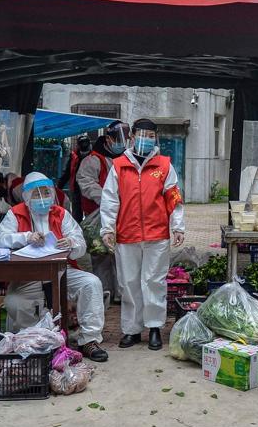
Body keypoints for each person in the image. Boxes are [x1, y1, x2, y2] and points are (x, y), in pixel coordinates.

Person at [0, 172, 108, 362]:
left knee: (91, 283)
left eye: (46, 193)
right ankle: (34, 342)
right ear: (26, 197)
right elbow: (1, 239)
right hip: (28, 275)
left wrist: (71, 243)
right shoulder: (15, 213)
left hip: (62, 271)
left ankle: (89, 340)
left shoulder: (61, 214)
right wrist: (25, 237)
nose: (42, 198)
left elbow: (80, 244)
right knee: (15, 301)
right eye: (36, 194)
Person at [100, 118, 185, 350]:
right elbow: (109, 201)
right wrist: (107, 228)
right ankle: (132, 330)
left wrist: (177, 227)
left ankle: (155, 327)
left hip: (157, 235)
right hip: (127, 234)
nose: (145, 139)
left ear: (155, 138)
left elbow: (174, 199)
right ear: (132, 137)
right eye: (141, 135)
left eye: (150, 136)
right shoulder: (118, 166)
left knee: (154, 282)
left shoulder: (165, 166)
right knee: (128, 283)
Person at [77, 122, 129, 300]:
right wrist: (109, 199)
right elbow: (86, 184)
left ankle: (121, 295)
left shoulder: (126, 159)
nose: (121, 143)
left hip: (123, 215)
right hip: (97, 215)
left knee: (122, 256)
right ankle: (104, 294)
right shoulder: (93, 160)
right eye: (117, 139)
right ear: (108, 139)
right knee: (101, 256)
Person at [59, 135, 93, 220]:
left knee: (91, 213)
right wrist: (59, 187)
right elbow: (67, 172)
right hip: (76, 189)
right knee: (76, 214)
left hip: (90, 189)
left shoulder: (94, 157)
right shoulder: (74, 156)